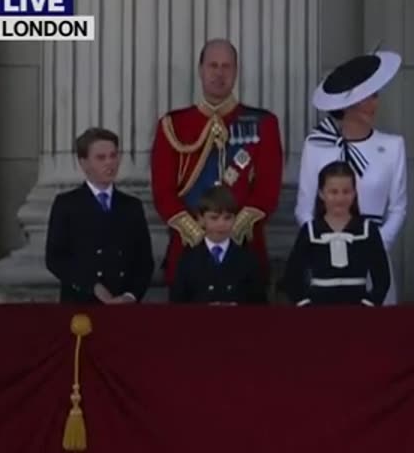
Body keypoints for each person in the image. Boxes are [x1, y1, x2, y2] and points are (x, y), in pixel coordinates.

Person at [150, 38, 284, 286]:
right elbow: (163, 191)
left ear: (236, 71)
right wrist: (198, 233)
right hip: (187, 253)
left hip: (244, 253)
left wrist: (230, 231)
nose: (219, 73)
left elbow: (267, 191)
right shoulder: (173, 125)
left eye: (226, 66)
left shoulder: (263, 124)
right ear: (200, 70)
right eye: (213, 66)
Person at [295, 52, 407, 305]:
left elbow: (398, 209)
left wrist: (372, 247)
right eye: (366, 97)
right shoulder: (316, 146)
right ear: (347, 104)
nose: (373, 104)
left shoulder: (393, 146)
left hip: (375, 259)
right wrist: (323, 243)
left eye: (375, 96)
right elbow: (303, 209)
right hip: (325, 264)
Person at [45, 128, 155, 305]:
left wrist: (130, 296)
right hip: (81, 304)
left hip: (123, 306)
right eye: (101, 157)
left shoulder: (132, 206)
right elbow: (55, 258)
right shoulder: (67, 204)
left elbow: (144, 262)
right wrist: (92, 286)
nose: (110, 163)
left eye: (113, 156)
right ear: (84, 163)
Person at [280, 161, 390, 307]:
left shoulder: (368, 230)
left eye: (346, 191)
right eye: (333, 192)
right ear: (321, 193)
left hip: (358, 309)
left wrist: (369, 303)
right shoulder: (310, 230)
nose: (340, 198)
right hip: (318, 310)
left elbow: (382, 277)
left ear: (354, 193)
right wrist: (305, 304)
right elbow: (292, 276)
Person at [168, 185, 267, 305]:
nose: (221, 224)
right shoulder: (189, 259)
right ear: (201, 219)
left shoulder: (247, 259)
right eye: (214, 218)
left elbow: (259, 305)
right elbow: (177, 305)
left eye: (227, 218)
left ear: (235, 219)